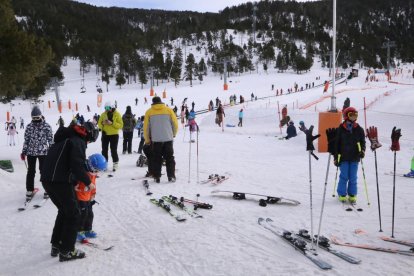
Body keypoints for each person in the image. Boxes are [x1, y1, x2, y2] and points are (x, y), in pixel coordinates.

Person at [40, 121, 99, 262]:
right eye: (89, 141)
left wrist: (74, 181)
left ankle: (56, 244)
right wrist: (88, 182)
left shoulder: (65, 138)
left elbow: (66, 163)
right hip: (59, 181)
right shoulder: (77, 141)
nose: (88, 143)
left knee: (64, 211)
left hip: (48, 180)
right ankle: (66, 251)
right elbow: (76, 165)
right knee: (74, 214)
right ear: (88, 135)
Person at [333, 107, 366, 203]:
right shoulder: (341, 128)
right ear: (346, 116)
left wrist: (362, 151)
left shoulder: (359, 129)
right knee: (344, 176)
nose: (353, 117)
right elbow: (336, 144)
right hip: (343, 157)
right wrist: (336, 157)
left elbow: (362, 142)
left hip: (354, 157)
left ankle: (352, 194)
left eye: (355, 115)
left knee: (353, 177)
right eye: (351, 115)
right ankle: (342, 193)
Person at [21, 106, 53, 198]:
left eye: (37, 118)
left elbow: (50, 140)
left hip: (43, 152)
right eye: (33, 118)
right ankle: (29, 190)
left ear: (40, 116)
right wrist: (23, 152)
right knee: (31, 171)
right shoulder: (29, 127)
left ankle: (47, 190)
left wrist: (52, 152)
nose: (35, 120)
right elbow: (26, 140)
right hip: (31, 153)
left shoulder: (46, 126)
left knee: (43, 171)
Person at [143, 96, 178, 183]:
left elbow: (146, 127)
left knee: (157, 158)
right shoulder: (169, 110)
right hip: (168, 139)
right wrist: (173, 134)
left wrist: (147, 139)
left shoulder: (149, 112)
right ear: (161, 101)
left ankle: (157, 176)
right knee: (169, 158)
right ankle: (171, 176)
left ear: (153, 103)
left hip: (156, 140)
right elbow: (175, 124)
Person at [76, 153, 107, 242]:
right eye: (96, 170)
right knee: (82, 215)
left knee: (90, 214)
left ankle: (87, 229)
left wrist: (93, 193)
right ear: (91, 166)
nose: (97, 173)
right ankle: (79, 231)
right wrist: (84, 187)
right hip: (80, 198)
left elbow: (93, 184)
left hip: (88, 198)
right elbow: (77, 185)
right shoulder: (82, 173)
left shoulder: (92, 174)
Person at [98, 102, 123, 171]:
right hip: (105, 134)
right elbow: (99, 124)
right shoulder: (103, 114)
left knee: (113, 150)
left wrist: (112, 123)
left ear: (112, 107)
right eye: (105, 108)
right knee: (104, 150)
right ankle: (104, 164)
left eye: (108, 108)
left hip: (114, 135)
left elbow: (121, 125)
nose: (107, 109)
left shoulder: (117, 114)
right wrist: (103, 124)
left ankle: (115, 163)